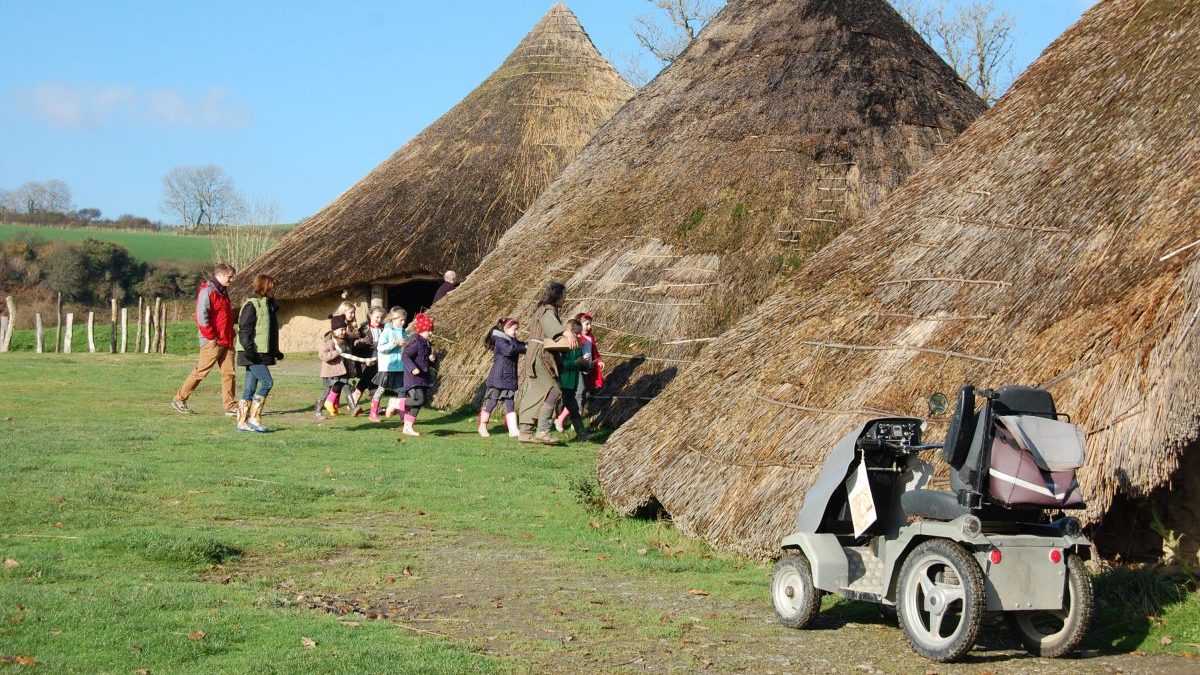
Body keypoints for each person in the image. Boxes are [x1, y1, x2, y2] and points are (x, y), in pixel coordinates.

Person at [172, 263, 238, 415]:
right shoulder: (207, 292)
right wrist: (211, 337)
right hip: (213, 341)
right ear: (220, 275)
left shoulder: (223, 292)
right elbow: (201, 317)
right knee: (201, 371)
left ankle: (230, 406)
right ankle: (179, 399)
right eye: (229, 277)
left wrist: (231, 335)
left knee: (229, 373)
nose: (232, 280)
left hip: (227, 340)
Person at [517, 281, 577, 444]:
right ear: (556, 296)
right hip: (540, 355)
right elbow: (553, 328)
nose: (565, 299)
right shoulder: (547, 310)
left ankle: (525, 431)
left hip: (539, 354)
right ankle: (542, 430)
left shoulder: (544, 309)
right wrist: (568, 333)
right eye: (564, 296)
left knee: (536, 392)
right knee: (554, 390)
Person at [235, 274, 283, 433]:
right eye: (272, 287)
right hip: (252, 354)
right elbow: (244, 330)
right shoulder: (251, 305)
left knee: (249, 389)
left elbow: (271, 332)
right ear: (265, 287)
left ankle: (242, 423)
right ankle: (254, 419)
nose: (274, 290)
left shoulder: (268, 306)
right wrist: (249, 350)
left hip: (261, 353)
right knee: (267, 382)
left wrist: (276, 351)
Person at [317, 315, 375, 417]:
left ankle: (353, 409)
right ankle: (318, 411)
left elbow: (354, 338)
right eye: (340, 330)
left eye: (344, 329)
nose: (343, 332)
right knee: (326, 392)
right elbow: (323, 356)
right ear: (334, 331)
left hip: (342, 372)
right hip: (330, 373)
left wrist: (364, 339)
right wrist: (336, 353)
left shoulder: (346, 340)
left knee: (347, 388)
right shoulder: (328, 342)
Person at [556, 311, 603, 432]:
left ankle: (578, 428)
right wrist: (578, 363)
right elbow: (563, 362)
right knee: (578, 395)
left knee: (579, 397)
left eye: (589, 324)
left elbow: (593, 351)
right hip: (570, 375)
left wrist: (595, 362)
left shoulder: (588, 338)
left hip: (583, 369)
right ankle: (558, 421)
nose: (589, 327)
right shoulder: (570, 343)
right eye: (586, 324)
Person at [479, 318, 526, 438]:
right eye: (514, 329)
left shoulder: (511, 341)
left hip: (509, 378)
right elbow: (509, 350)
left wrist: (529, 345)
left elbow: (518, 347)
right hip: (498, 378)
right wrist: (522, 346)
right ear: (506, 329)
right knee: (492, 402)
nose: (516, 332)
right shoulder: (500, 341)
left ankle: (513, 429)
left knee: (510, 402)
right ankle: (482, 425)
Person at [369, 307, 408, 423]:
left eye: (405, 320)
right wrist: (395, 343)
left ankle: (402, 416)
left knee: (402, 391)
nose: (403, 322)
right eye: (401, 320)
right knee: (381, 389)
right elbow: (381, 348)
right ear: (393, 319)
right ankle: (373, 413)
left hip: (400, 367)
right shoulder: (386, 332)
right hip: (387, 367)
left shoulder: (405, 333)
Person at [556, 319, 592, 441]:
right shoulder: (562, 343)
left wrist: (588, 365)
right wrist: (575, 363)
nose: (578, 336)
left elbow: (579, 364)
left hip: (572, 383)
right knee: (557, 405)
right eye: (576, 333)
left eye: (579, 333)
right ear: (569, 332)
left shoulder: (578, 344)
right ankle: (542, 429)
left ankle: (582, 434)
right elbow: (560, 364)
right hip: (562, 381)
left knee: (573, 408)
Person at [401, 313, 436, 437]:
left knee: (419, 402)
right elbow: (405, 356)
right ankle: (397, 404)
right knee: (418, 399)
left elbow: (423, 359)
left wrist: (431, 359)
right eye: (429, 331)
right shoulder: (416, 342)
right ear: (423, 330)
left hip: (422, 377)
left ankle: (408, 427)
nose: (431, 333)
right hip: (413, 378)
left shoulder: (426, 344)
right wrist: (412, 368)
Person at [348, 305, 385, 409]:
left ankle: (354, 403)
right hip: (367, 360)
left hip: (380, 360)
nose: (379, 320)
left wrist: (380, 344)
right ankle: (372, 406)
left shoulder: (384, 329)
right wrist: (362, 342)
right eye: (377, 317)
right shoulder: (364, 329)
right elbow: (354, 344)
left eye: (381, 317)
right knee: (370, 381)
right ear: (370, 316)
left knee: (371, 381)